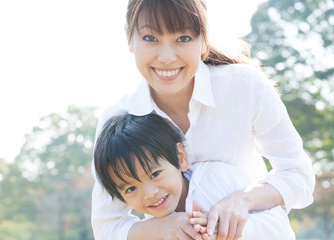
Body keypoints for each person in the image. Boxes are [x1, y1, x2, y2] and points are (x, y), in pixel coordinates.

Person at [91, 0, 315, 239]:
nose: (166, 57)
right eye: (150, 38)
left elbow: (299, 175)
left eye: (183, 38)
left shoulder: (244, 86)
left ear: (203, 40)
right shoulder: (117, 121)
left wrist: (241, 201)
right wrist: (164, 227)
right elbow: (107, 226)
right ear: (129, 38)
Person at [94, 113, 296, 240]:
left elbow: (279, 225)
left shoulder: (216, 177)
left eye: (155, 173)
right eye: (130, 188)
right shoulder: (152, 229)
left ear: (180, 157)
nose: (149, 194)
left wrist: (231, 230)